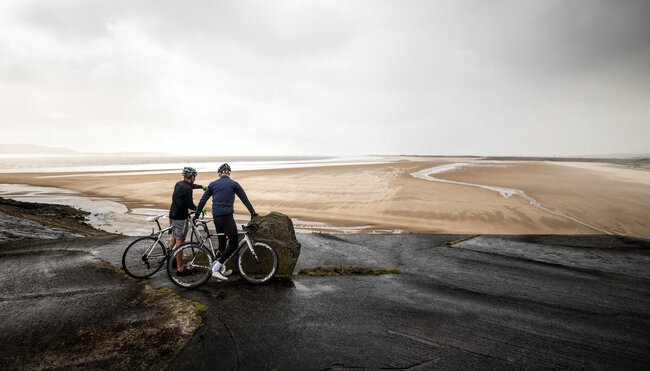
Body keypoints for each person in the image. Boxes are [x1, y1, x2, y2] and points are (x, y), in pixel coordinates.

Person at [194, 163, 258, 281]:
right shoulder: (234, 184)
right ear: (229, 173)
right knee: (234, 244)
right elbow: (244, 199)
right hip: (227, 217)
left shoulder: (213, 184)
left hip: (216, 217)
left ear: (219, 173)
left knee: (222, 243)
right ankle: (215, 269)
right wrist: (252, 212)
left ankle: (219, 269)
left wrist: (196, 216)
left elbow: (203, 200)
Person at [169, 167, 204, 276]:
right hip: (181, 217)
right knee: (181, 242)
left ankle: (169, 258)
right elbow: (190, 205)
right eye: (194, 176)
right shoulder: (187, 189)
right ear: (192, 176)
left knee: (174, 237)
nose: (194, 178)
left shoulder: (179, 184)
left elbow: (190, 185)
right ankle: (180, 268)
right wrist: (200, 208)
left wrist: (202, 187)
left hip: (172, 215)